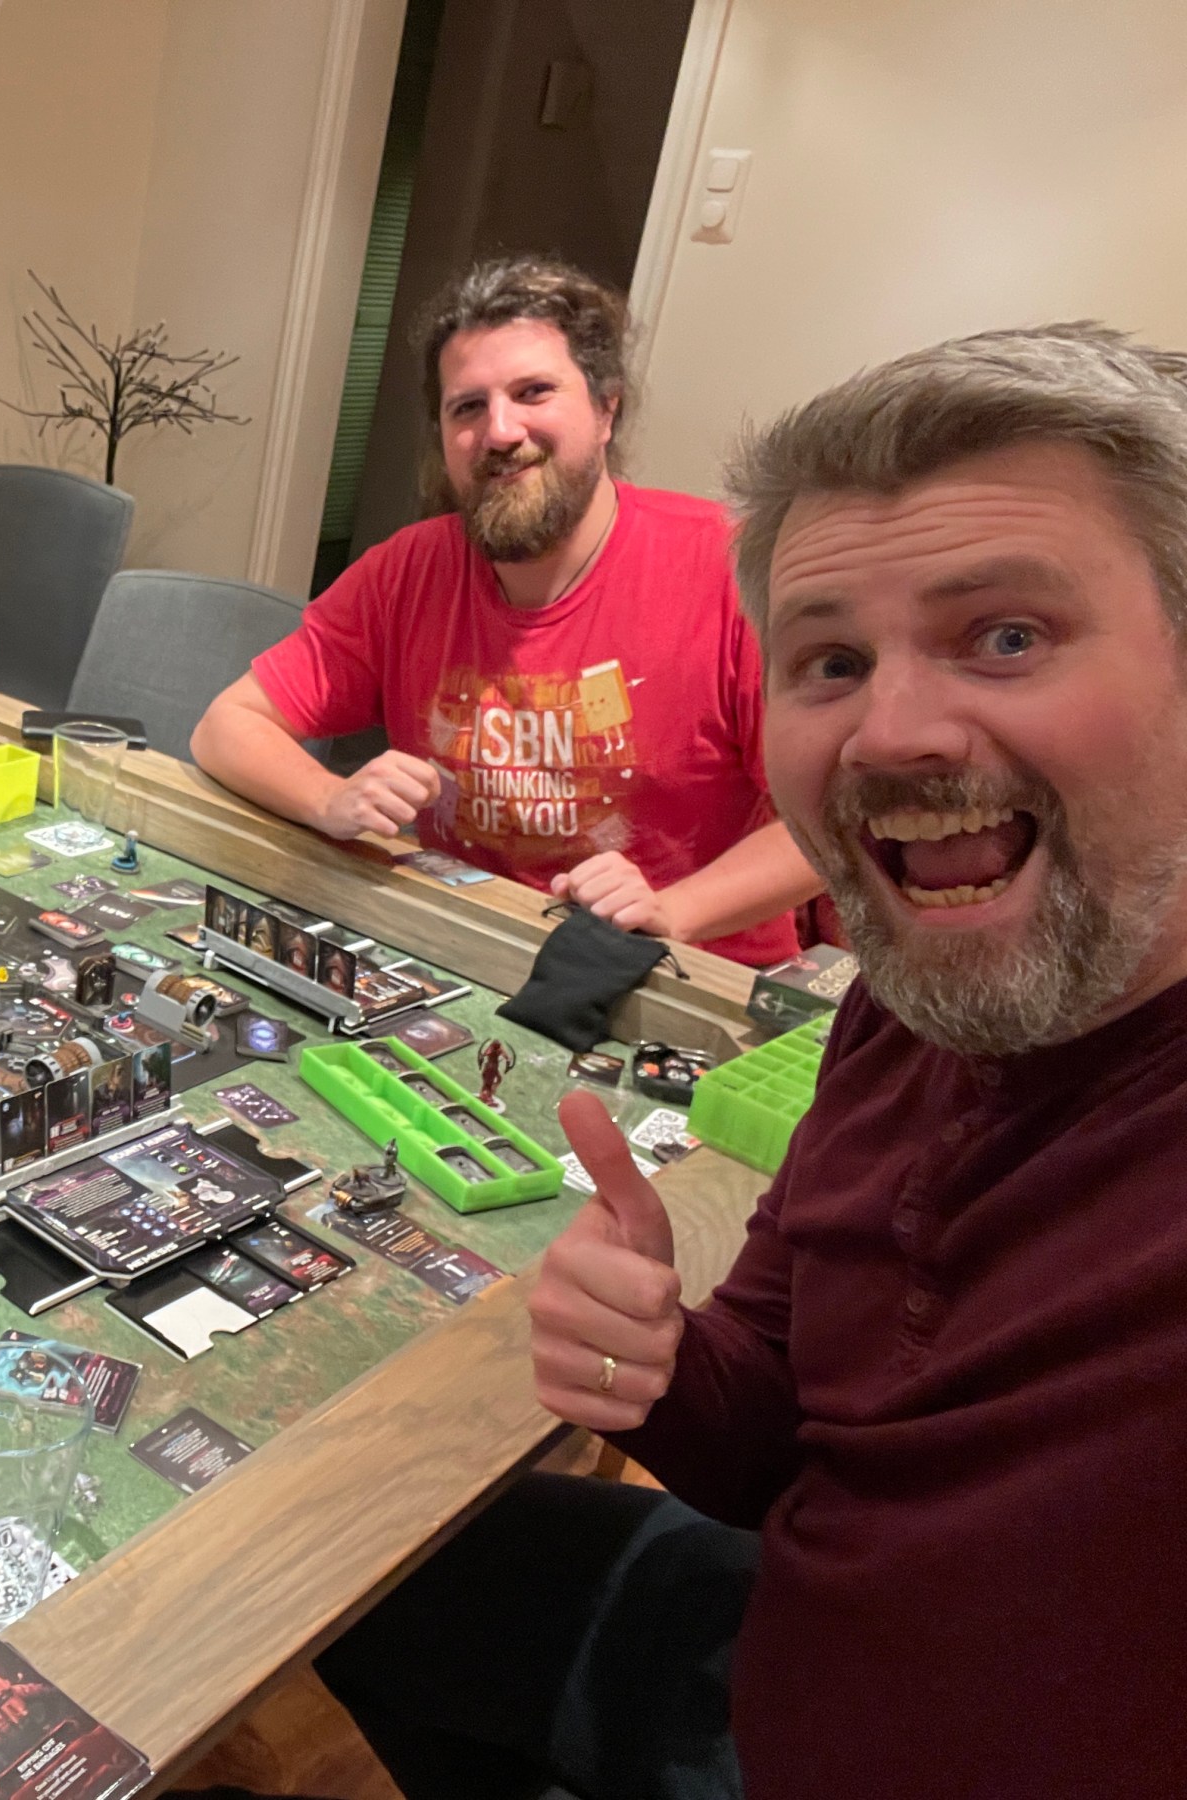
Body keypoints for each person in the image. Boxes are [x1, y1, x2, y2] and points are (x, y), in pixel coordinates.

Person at [319, 322, 1187, 1798]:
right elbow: (777, 1438)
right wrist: (658, 1358)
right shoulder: (898, 1005)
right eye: (831, 660)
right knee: (361, 1567)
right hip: (781, 1643)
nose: (893, 733)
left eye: (1008, 636)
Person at [191, 257, 821, 966]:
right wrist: (329, 799)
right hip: (467, 951)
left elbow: (832, 823)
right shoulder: (406, 569)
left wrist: (671, 909)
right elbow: (227, 726)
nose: (499, 431)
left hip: (692, 970)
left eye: (533, 392)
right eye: (467, 407)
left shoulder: (734, 569)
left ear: (606, 409)